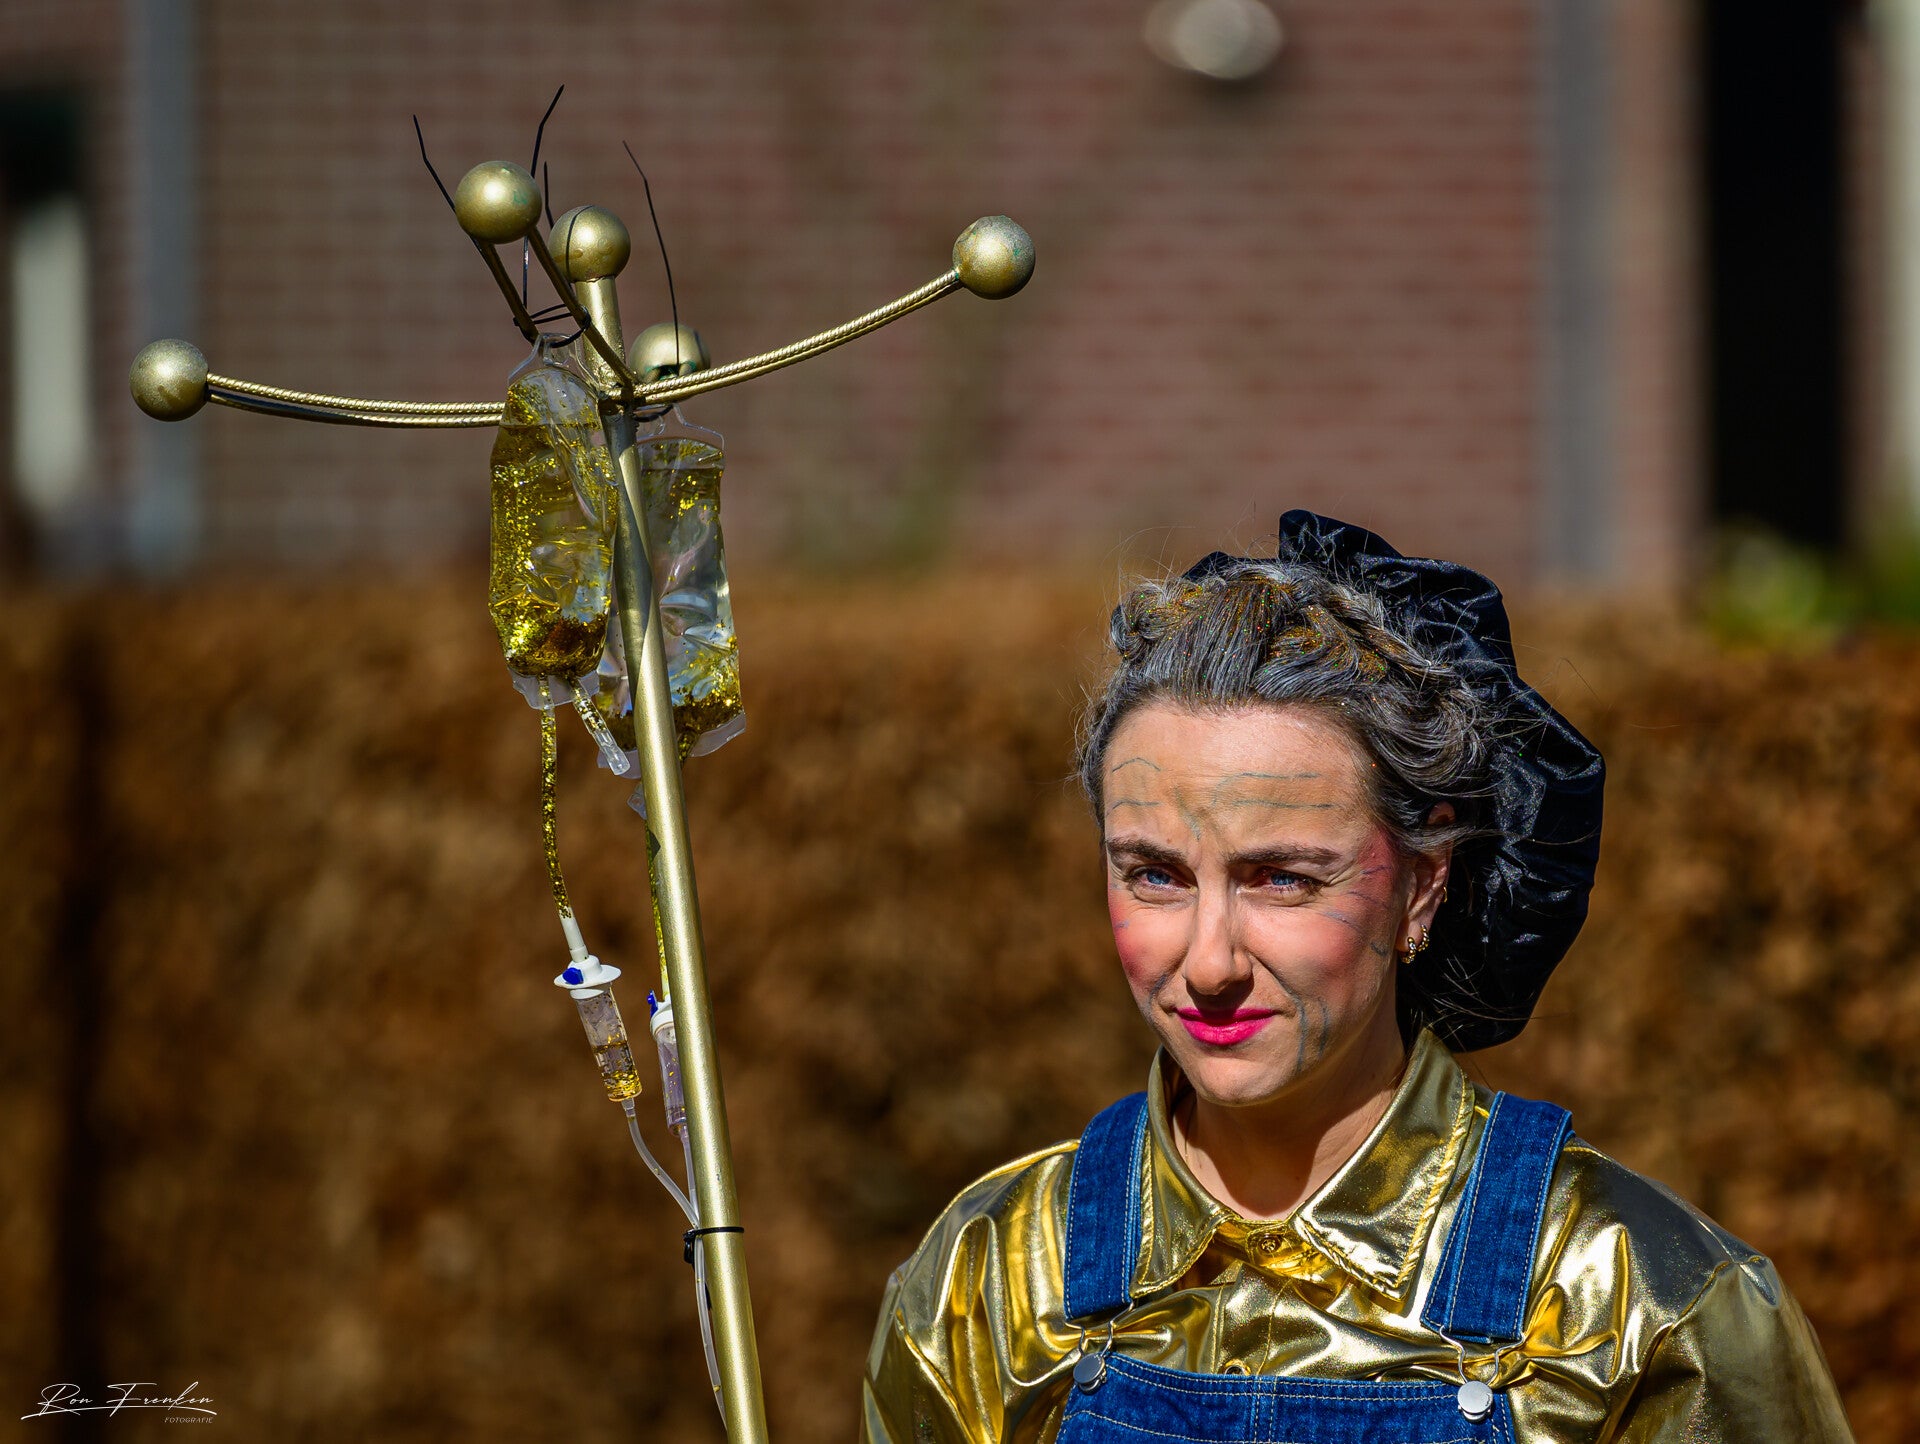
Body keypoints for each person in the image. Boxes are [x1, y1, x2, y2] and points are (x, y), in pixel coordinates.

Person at [859, 512, 1852, 1444]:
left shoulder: (1640, 1306)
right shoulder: (987, 1286)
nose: (1209, 963)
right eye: (1154, 875)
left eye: (1282, 878)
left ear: (1422, 887)